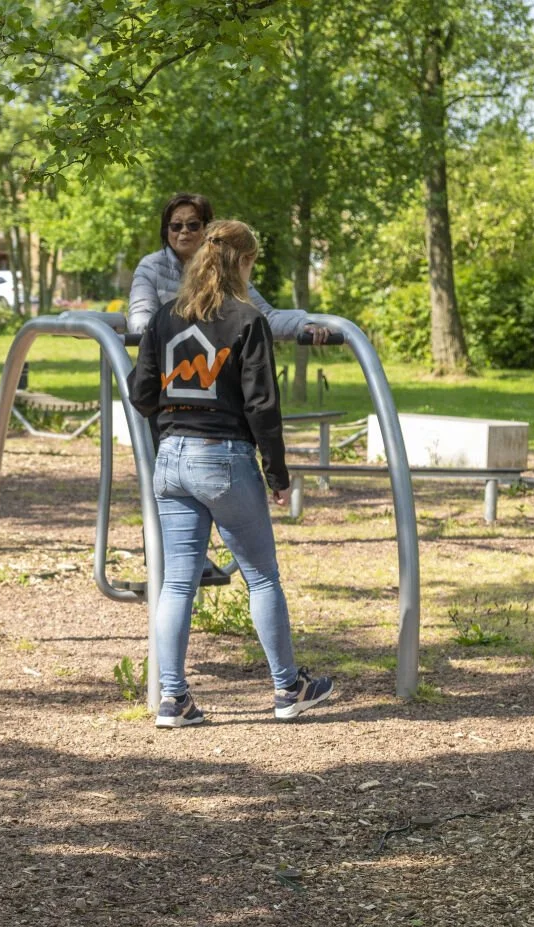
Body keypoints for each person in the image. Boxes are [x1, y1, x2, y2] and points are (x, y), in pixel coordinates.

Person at [129, 219, 335, 727]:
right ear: (243, 262)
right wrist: (278, 473)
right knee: (262, 577)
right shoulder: (246, 319)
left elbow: (140, 393)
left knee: (177, 584)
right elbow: (263, 405)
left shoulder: (164, 317)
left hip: (172, 456)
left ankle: (173, 699)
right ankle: (288, 687)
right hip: (223, 456)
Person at [127, 192, 332, 345]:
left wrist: (303, 325)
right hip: (171, 368)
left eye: (193, 225)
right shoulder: (151, 268)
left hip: (215, 374)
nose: (184, 232)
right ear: (166, 230)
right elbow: (140, 321)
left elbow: (262, 316)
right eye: (176, 226)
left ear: (207, 229)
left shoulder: (223, 267)